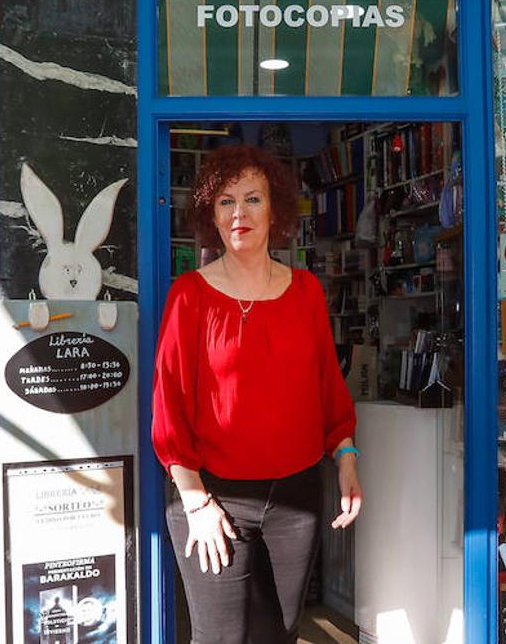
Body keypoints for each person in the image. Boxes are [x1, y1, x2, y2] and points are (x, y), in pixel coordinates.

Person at [152, 144, 361, 644]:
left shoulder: (307, 292)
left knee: (280, 634)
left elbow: (328, 386)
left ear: (276, 210)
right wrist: (196, 501)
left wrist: (347, 458)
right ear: (211, 214)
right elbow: (168, 405)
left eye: (252, 199)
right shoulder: (189, 295)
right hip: (211, 497)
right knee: (219, 638)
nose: (239, 213)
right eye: (225, 202)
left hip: (295, 497)